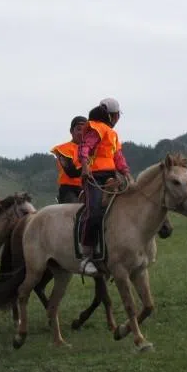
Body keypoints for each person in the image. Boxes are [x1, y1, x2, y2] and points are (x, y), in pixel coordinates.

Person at [78, 98, 132, 276]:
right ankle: (86, 256)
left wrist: (126, 172)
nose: (118, 119)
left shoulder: (113, 134)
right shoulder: (97, 128)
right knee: (94, 212)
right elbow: (84, 148)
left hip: (111, 176)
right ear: (111, 115)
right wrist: (85, 167)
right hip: (93, 176)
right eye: (116, 115)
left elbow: (118, 157)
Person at [51, 116, 88, 204]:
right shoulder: (63, 149)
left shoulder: (93, 150)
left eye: (85, 130)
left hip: (89, 188)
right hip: (69, 189)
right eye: (79, 129)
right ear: (71, 131)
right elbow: (71, 172)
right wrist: (87, 164)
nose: (82, 133)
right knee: (75, 210)